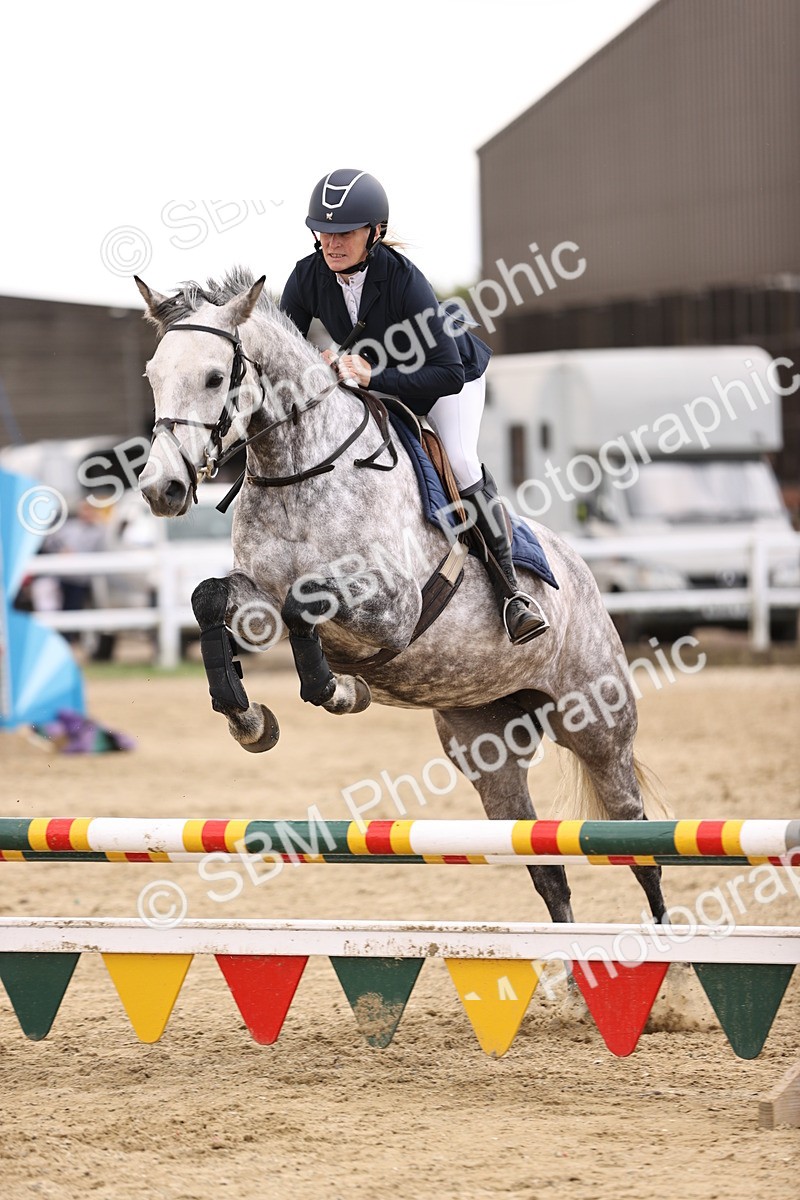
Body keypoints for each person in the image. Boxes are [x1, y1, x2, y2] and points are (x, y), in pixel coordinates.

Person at [280, 168, 548, 645]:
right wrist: (313, 363)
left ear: (374, 232)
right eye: (323, 232)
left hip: (449, 380)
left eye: (345, 233)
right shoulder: (307, 276)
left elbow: (447, 373)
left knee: (460, 460)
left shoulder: (404, 281)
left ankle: (511, 593)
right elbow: (286, 351)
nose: (331, 243)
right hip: (380, 379)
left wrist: (371, 376)